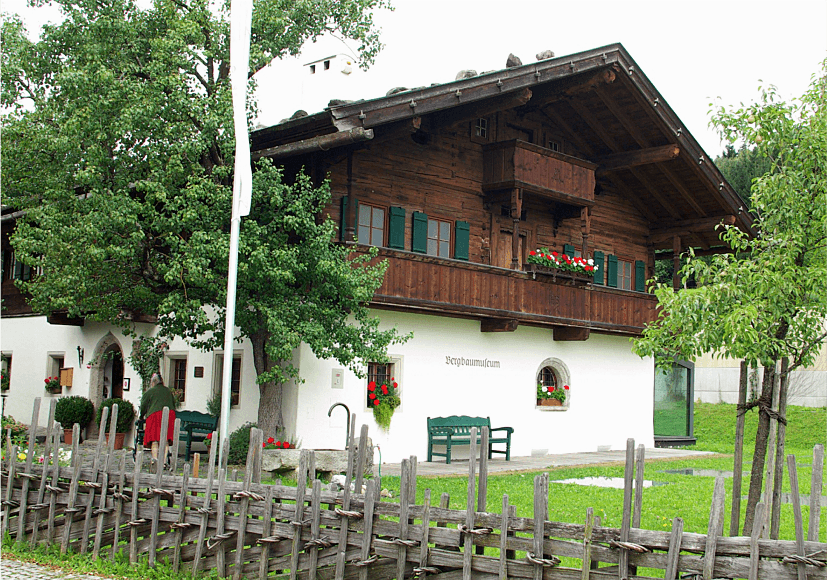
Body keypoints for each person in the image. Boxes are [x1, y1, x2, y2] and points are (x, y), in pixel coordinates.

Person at [140, 372, 177, 462]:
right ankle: (164, 461)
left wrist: (141, 416)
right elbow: (173, 404)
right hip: (169, 415)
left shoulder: (150, 391)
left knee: (155, 439)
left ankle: (155, 460)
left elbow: (143, 405)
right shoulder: (168, 391)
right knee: (165, 439)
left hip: (155, 416)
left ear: (153, 382)